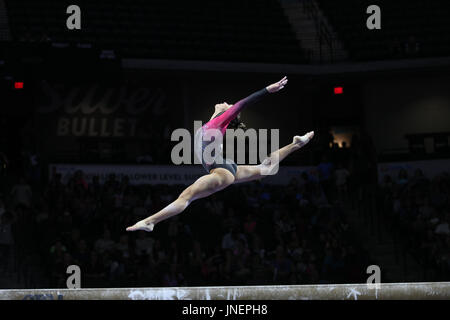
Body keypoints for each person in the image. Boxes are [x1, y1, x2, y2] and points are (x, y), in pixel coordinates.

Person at [127, 77, 314, 232]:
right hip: (226, 167)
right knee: (265, 168)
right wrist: (217, 110)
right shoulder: (213, 124)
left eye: (227, 105)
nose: (226, 103)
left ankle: (151, 221)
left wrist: (267, 90)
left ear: (227, 113)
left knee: (187, 197)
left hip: (220, 170)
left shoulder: (218, 123)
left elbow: (243, 103)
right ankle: (295, 144)